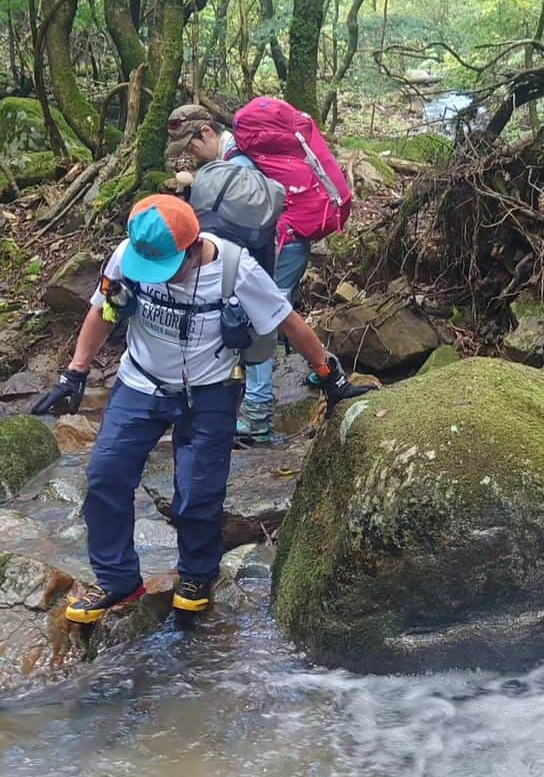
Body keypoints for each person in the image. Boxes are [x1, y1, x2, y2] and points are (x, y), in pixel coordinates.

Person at [32, 194, 375, 624]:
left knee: (197, 491)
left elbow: (289, 322)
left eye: (169, 268)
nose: (162, 277)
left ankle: (196, 575)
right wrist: (75, 372)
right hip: (140, 383)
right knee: (104, 476)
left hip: (210, 392)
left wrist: (329, 376)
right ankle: (118, 579)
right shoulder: (128, 255)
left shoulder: (237, 270)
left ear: (193, 247)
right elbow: (104, 310)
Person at [165, 103, 308, 445]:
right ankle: (318, 368)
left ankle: (257, 415)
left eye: (192, 146)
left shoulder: (239, 163)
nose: (190, 155)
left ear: (208, 133)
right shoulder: (234, 157)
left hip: (283, 244)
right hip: (287, 241)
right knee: (273, 311)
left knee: (260, 318)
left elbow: (239, 227)